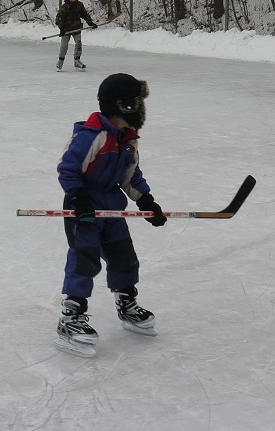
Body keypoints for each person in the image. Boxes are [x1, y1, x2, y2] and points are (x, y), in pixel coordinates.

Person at [54, 73, 167, 357]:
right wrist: (78, 198)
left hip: (112, 208)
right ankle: (71, 317)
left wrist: (146, 201)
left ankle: (127, 305)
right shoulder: (92, 136)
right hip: (85, 209)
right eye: (139, 103)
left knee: (124, 257)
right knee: (85, 259)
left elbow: (131, 175)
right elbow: (67, 168)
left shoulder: (127, 140)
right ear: (127, 106)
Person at [55, 0, 98, 71]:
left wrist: (90, 23)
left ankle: (77, 60)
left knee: (78, 44)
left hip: (76, 28)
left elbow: (85, 15)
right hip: (66, 29)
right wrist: (61, 28)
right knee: (64, 45)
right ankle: (60, 61)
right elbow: (59, 18)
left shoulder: (79, 5)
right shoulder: (64, 7)